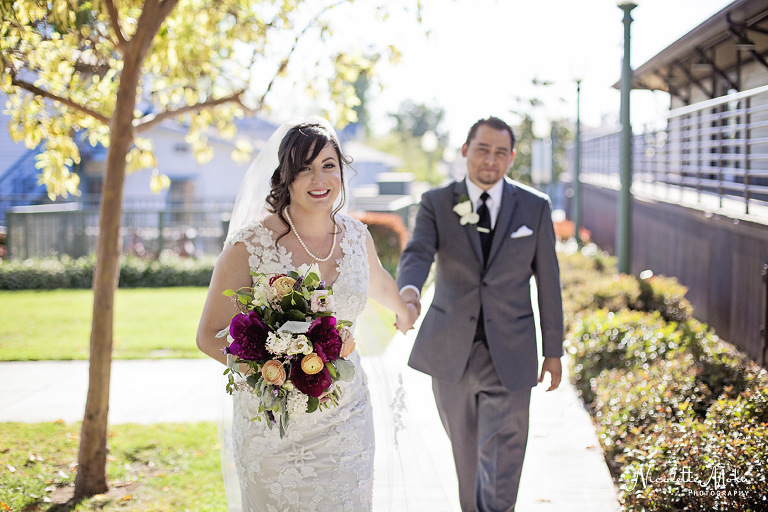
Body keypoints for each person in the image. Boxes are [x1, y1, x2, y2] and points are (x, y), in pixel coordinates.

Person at [197, 117, 417, 511]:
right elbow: (209, 333)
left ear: (341, 171)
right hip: (272, 425)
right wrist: (270, 370)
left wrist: (405, 309)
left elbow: (379, 281)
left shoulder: (356, 236)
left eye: (328, 165)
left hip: (346, 416)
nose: (319, 178)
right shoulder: (250, 244)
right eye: (304, 167)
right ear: (285, 176)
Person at [396, 116, 564, 512]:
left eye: (500, 152)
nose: (491, 160)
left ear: (511, 157)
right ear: (465, 151)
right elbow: (419, 252)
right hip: (450, 351)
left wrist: (553, 350)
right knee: (467, 458)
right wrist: (409, 294)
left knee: (503, 456)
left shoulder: (535, 207)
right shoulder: (436, 202)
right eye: (483, 149)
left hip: (512, 352)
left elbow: (549, 281)